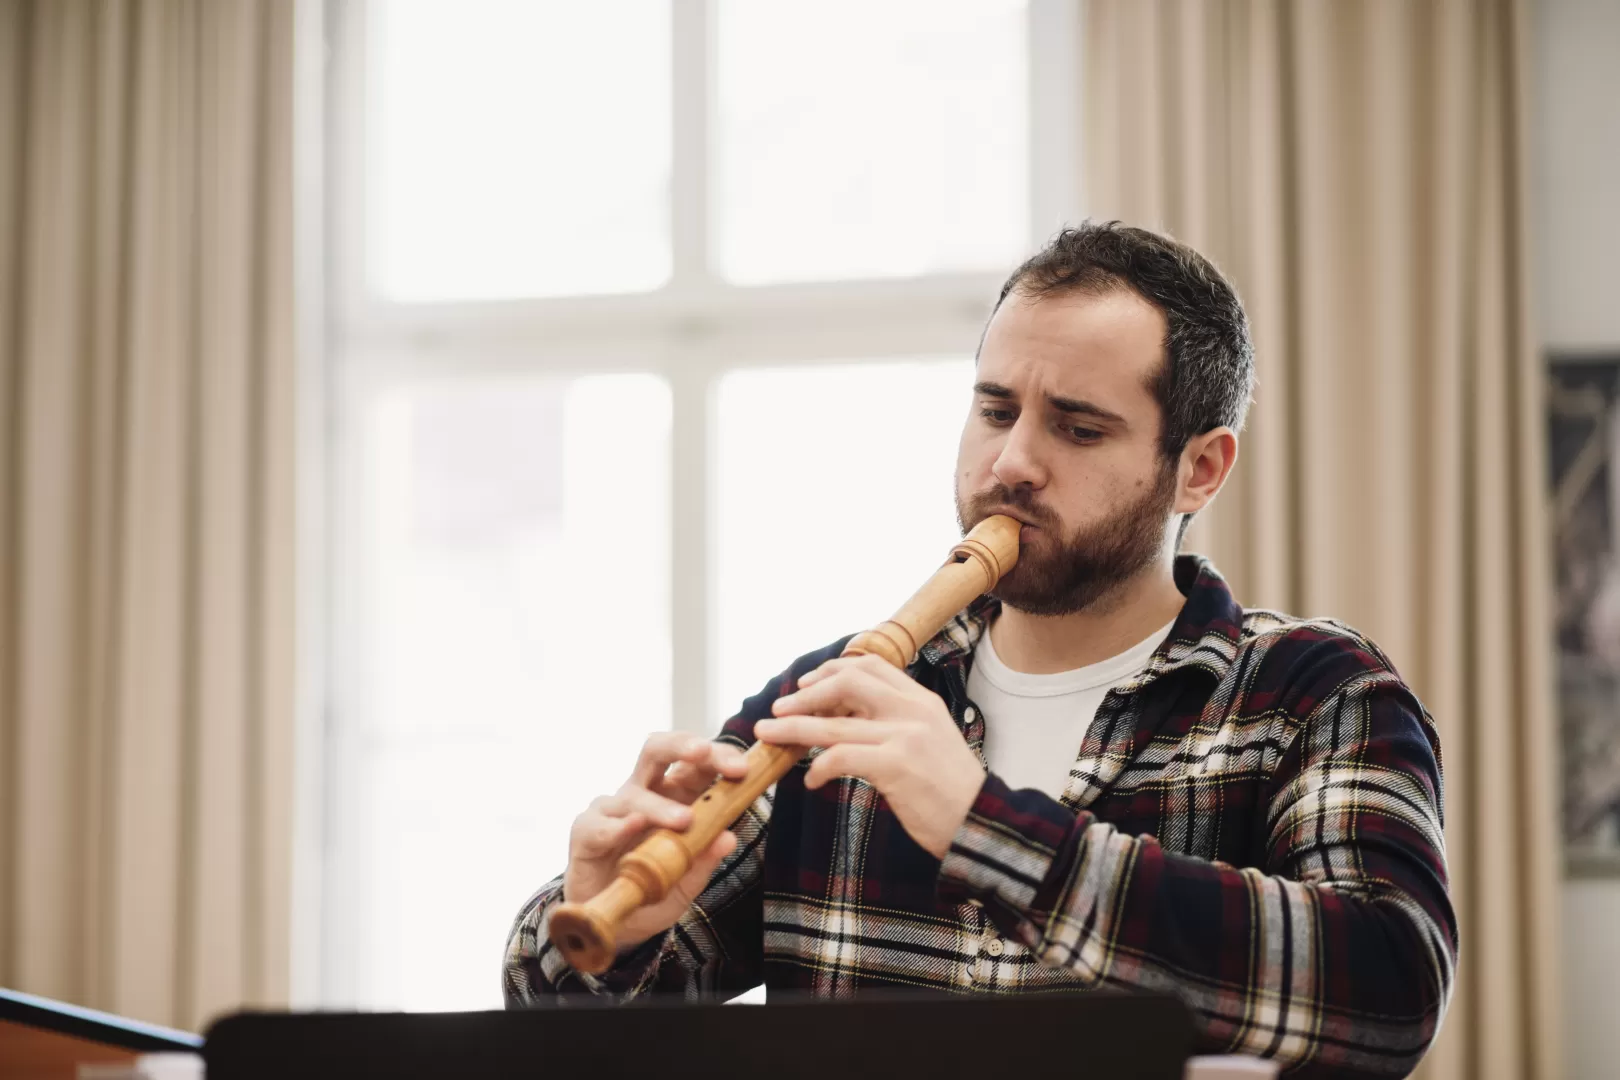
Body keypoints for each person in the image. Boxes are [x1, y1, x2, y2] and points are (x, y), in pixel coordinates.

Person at [503, 222, 1457, 1078]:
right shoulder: (839, 695)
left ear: (1198, 469)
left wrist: (983, 824)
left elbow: (1389, 992)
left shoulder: (1317, 694)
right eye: (997, 410)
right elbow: (577, 1025)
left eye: (1078, 428)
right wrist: (603, 930)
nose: (1011, 465)